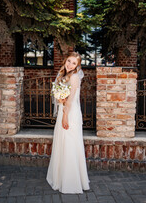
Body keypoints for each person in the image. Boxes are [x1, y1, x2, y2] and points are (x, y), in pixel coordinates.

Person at [46, 52, 90, 194]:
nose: (70, 65)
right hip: (63, 110)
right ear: (66, 60)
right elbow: (59, 95)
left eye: (74, 63)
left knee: (70, 143)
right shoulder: (62, 75)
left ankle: (71, 181)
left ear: (78, 66)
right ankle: (60, 177)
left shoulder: (75, 77)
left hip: (70, 113)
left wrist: (65, 115)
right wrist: (60, 100)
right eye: (69, 61)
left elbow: (71, 100)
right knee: (62, 142)